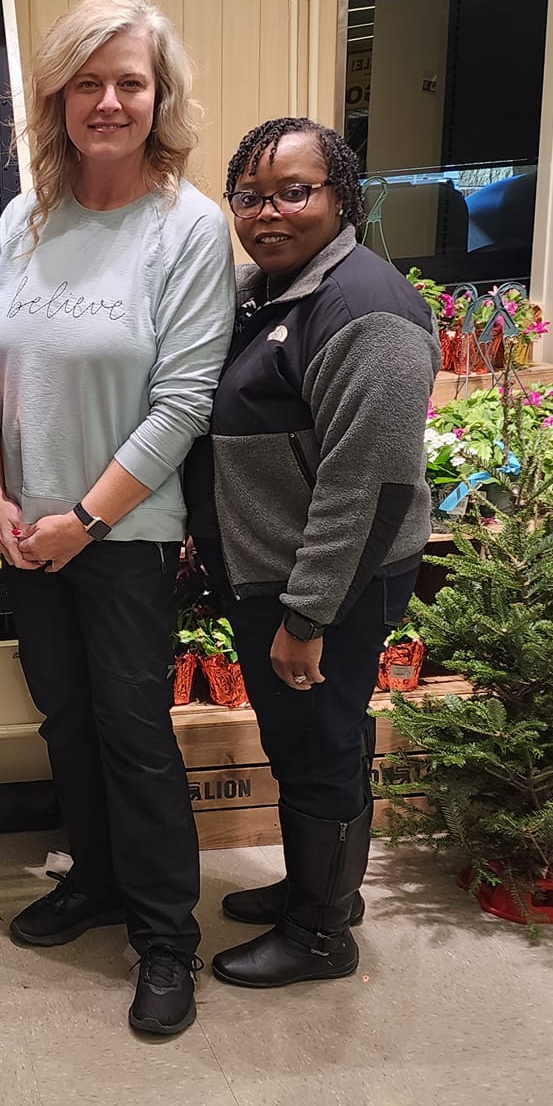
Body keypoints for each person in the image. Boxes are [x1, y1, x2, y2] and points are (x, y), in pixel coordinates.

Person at [0, 0, 234, 1037]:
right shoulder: (23, 219)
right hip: (27, 532)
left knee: (134, 732)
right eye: (87, 81)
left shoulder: (190, 226)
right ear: (57, 98)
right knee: (67, 723)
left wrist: (82, 516)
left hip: (118, 535)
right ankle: (93, 880)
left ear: (159, 95)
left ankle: (167, 935)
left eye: (129, 80)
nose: (109, 100)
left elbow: (183, 403)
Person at [194, 117, 438, 988]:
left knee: (320, 746)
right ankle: (315, 890)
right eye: (250, 195)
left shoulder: (365, 309)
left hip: (327, 581)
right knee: (308, 743)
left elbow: (366, 486)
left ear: (341, 198)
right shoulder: (275, 292)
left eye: (295, 192)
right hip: (280, 570)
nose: (269, 212)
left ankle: (322, 936)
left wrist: (308, 616)